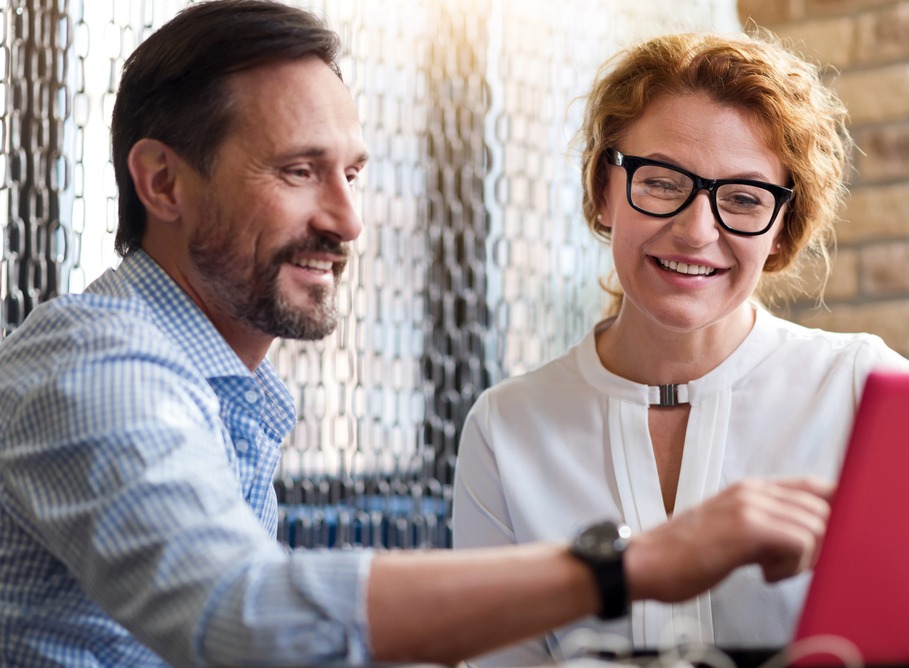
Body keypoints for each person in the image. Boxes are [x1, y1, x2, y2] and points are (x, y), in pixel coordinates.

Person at [0, 3, 833, 666]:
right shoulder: (97, 362)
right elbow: (236, 617)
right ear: (161, 182)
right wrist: (634, 565)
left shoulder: (225, 393)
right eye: (299, 171)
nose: (348, 220)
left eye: (353, 173)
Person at [452, 29, 909, 666]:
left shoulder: (868, 392)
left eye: (744, 199)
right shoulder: (506, 428)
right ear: (602, 192)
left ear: (781, 233)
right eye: (664, 181)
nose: (697, 231)